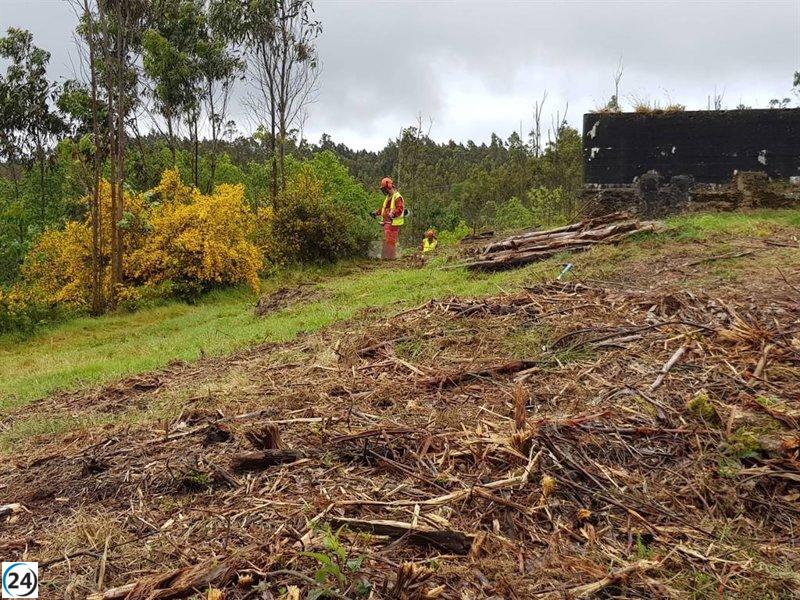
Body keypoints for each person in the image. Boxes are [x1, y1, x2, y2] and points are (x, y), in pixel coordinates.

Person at [374, 177, 404, 259]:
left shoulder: (397, 197)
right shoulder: (388, 197)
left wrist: (393, 214)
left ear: (389, 187)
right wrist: (377, 213)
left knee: (390, 240)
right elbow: (385, 209)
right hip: (387, 223)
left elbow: (400, 209)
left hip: (393, 223)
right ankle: (385, 257)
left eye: (385, 189)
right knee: (386, 239)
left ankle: (390, 258)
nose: (384, 191)